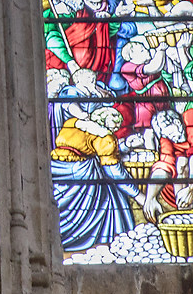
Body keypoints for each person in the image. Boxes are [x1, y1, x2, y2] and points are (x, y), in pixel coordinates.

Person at [50, 104, 136, 252]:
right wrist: (139, 195)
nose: (115, 129)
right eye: (115, 125)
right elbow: (114, 173)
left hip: (55, 166)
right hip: (79, 172)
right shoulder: (106, 137)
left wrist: (125, 146)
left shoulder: (72, 123)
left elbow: (85, 145)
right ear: (105, 120)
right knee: (111, 194)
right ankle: (108, 239)